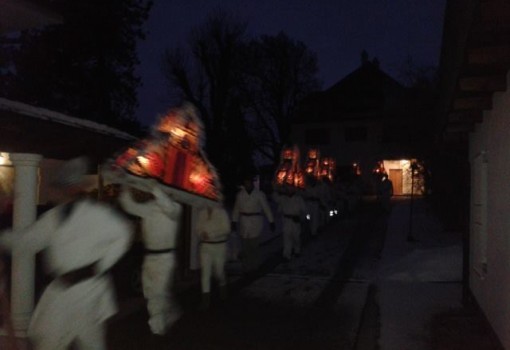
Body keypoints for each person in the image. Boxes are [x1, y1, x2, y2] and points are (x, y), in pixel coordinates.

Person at [0, 156, 133, 350]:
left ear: (72, 189)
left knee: (90, 342)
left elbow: (123, 234)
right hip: (60, 289)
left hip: (88, 289)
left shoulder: (96, 214)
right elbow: (27, 240)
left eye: (60, 187)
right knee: (47, 340)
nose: (55, 191)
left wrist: (100, 265)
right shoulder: (52, 218)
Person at [118, 181, 183, 335]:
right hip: (149, 256)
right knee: (150, 293)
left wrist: (154, 187)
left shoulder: (175, 208)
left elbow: (167, 206)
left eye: (167, 190)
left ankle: (157, 332)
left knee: (158, 295)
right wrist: (125, 184)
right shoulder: (149, 207)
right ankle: (171, 313)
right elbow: (128, 205)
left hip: (165, 258)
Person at [232, 175, 275, 273]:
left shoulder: (259, 194)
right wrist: (234, 221)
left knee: (254, 246)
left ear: (252, 183)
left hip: (255, 222)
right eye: (245, 183)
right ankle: (246, 266)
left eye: (249, 183)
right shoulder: (240, 195)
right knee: (245, 246)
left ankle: (255, 265)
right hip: (244, 222)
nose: (247, 185)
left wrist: (271, 221)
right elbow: (236, 209)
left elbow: (266, 208)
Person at [196, 202, 231, 309]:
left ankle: (223, 284)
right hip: (205, 247)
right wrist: (201, 233)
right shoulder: (202, 212)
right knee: (205, 273)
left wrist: (212, 234)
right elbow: (197, 227)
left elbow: (226, 229)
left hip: (219, 247)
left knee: (219, 272)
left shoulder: (221, 212)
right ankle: (205, 300)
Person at [273, 184, 307, 261]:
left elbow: (304, 210)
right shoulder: (283, 198)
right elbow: (276, 200)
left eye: (290, 189)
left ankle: (297, 250)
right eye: (287, 190)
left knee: (296, 237)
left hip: (296, 221)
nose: (289, 191)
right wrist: (275, 189)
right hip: (286, 221)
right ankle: (286, 255)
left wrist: (301, 218)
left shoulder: (299, 199)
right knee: (287, 238)